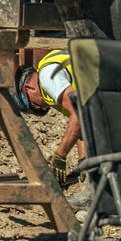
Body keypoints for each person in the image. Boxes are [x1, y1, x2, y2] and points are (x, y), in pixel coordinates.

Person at [17, 48, 82, 185]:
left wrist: (60, 154)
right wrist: (85, 166)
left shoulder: (47, 76)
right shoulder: (50, 74)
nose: (40, 107)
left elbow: (80, 112)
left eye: (33, 104)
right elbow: (85, 127)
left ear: (29, 88)